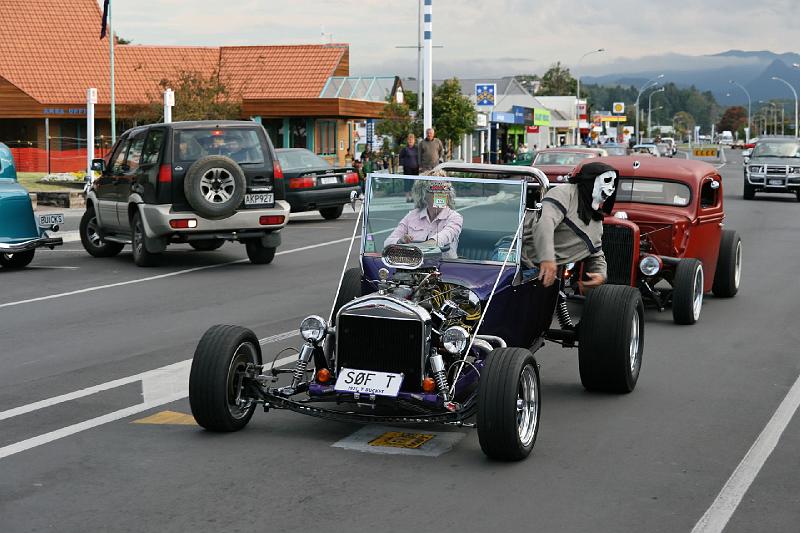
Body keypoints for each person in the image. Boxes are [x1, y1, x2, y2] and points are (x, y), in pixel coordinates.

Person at [522, 161, 618, 289]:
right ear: (589, 181)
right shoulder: (564, 193)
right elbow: (545, 222)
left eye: (613, 183)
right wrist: (547, 258)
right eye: (607, 181)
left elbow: (595, 252)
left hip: (547, 274)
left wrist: (600, 274)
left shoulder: (596, 221)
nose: (611, 188)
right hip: (518, 261)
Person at [385, 178, 463, 259]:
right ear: (424, 195)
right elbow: (387, 243)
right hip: (413, 263)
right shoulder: (412, 215)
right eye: (435, 190)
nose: (441, 195)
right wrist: (400, 241)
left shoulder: (455, 217)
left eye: (445, 190)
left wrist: (422, 246)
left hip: (444, 264)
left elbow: (444, 237)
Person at [399, 133, 419, 202]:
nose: (410, 141)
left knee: (414, 183)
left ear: (414, 140)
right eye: (409, 140)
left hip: (415, 168)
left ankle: (413, 197)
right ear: (407, 140)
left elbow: (419, 158)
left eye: (412, 139)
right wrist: (401, 165)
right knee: (407, 183)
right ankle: (408, 197)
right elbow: (401, 158)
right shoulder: (404, 149)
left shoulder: (417, 148)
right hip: (407, 168)